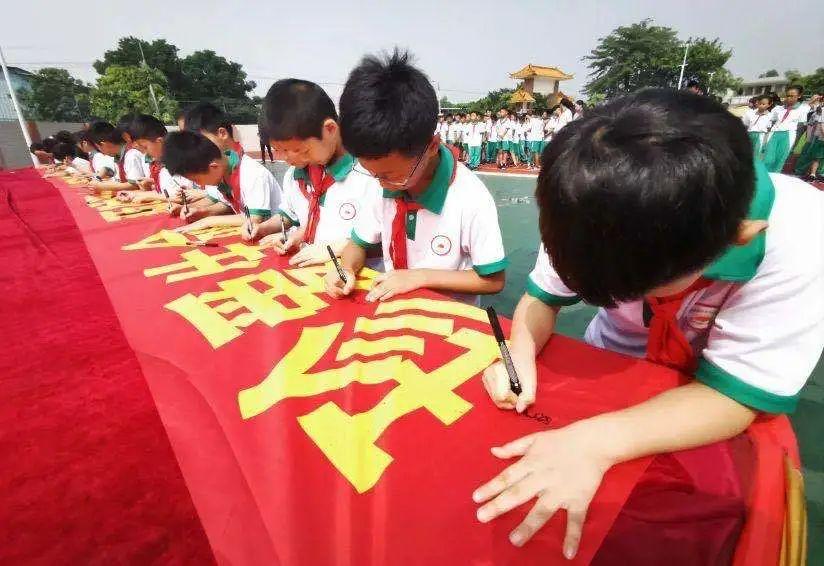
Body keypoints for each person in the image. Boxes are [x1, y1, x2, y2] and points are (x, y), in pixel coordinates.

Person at [475, 88, 823, 559]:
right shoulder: (592, 200)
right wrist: (519, 350)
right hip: (614, 369)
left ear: (737, 239)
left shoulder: (801, 240)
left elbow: (736, 394)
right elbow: (541, 299)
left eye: (640, 289)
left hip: (706, 397)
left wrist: (596, 442)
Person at [324, 49, 507, 305]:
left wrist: (418, 277)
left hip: (444, 322)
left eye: (391, 176)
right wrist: (345, 268)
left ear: (431, 147)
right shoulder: (381, 181)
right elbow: (358, 243)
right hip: (393, 313)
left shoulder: (470, 197)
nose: (381, 183)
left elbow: (493, 279)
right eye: (372, 173)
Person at [245, 78, 383, 269]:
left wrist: (337, 248)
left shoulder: (373, 174)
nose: (288, 159)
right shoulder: (297, 174)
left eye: (301, 150)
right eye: (280, 150)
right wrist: (265, 229)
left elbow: (382, 237)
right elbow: (291, 215)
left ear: (330, 129)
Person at [163, 130, 282, 235]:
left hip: (277, 235)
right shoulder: (223, 173)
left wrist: (208, 221)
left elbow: (255, 219)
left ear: (213, 166)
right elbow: (226, 205)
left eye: (197, 180)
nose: (199, 184)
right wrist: (201, 212)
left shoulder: (252, 173)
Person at [762, 85, 810, 172]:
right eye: (787, 95)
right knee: (768, 158)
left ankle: (775, 178)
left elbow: (801, 125)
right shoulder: (778, 108)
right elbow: (770, 120)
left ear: (799, 96)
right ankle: (763, 177)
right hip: (774, 133)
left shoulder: (803, 109)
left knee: (780, 159)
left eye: (792, 96)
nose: (789, 98)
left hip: (789, 134)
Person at [86, 120, 145, 192]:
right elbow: (118, 180)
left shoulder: (131, 155)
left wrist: (102, 186)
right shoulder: (118, 155)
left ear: (104, 144)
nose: (101, 152)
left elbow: (135, 185)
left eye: (98, 148)